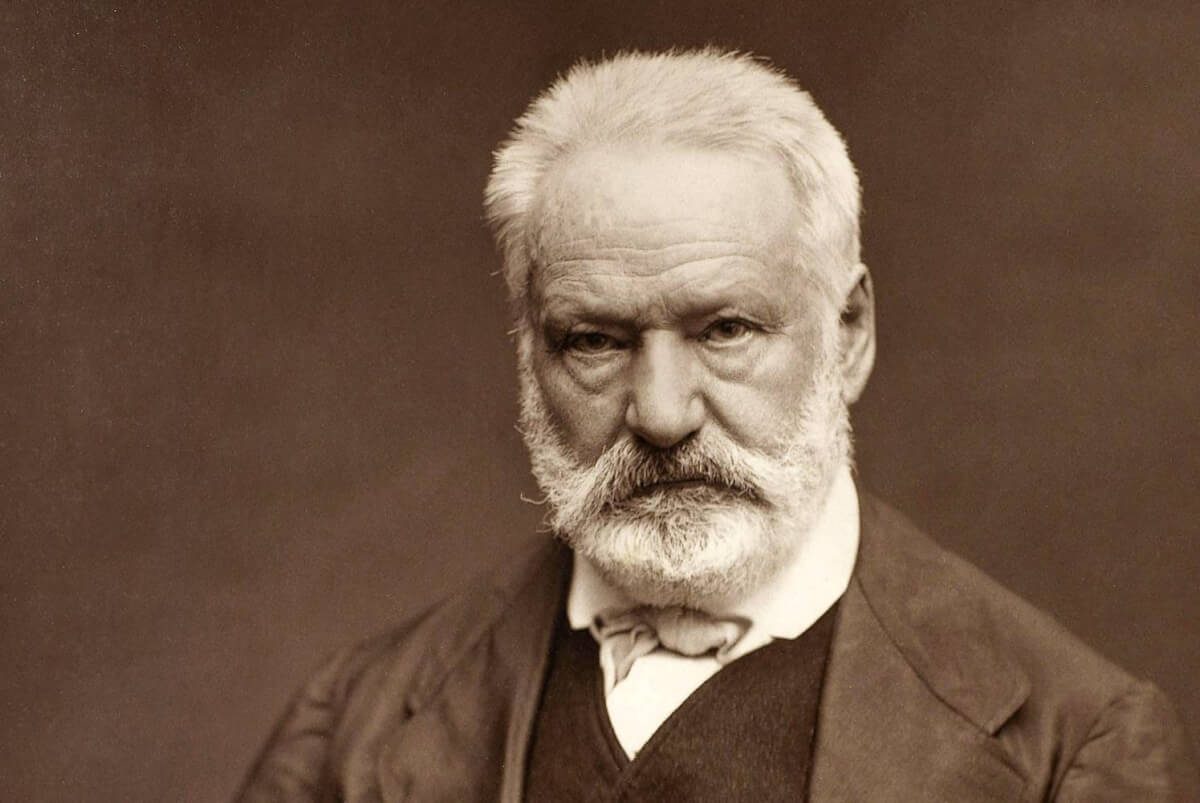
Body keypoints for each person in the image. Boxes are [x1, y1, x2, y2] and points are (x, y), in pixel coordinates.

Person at [236, 49, 1198, 802]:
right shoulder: (351, 727)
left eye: (726, 329)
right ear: (530, 356)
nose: (661, 414)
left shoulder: (1076, 747)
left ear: (848, 333)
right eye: (595, 340)